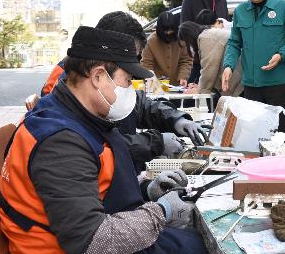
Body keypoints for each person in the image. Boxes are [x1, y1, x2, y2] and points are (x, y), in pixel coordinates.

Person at [0, 26, 237, 254]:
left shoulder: (74, 114)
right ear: (99, 76)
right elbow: (89, 244)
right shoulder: (60, 143)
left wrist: (147, 189)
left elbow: (91, 189)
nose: (130, 90)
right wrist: (161, 211)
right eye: (126, 80)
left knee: (197, 247)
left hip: (86, 253)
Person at [29, 12, 209, 171]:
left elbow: (139, 105)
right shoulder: (71, 101)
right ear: (98, 75)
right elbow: (99, 147)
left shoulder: (95, 82)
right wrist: (154, 143)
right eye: (129, 59)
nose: (134, 63)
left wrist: (176, 119)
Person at [222, 0, 285, 135]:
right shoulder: (240, 12)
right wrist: (228, 65)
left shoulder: (284, 8)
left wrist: (281, 55)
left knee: (281, 136)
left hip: (279, 84)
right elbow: (234, 42)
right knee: (255, 135)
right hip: (251, 85)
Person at [178, 16, 243, 97]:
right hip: (239, 75)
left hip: (240, 78)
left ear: (189, 38)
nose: (189, 47)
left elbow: (209, 68)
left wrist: (199, 90)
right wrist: (199, 86)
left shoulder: (206, 38)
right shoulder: (207, 34)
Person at [141, 11, 193, 86]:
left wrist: (183, 77)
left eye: (171, 29)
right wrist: (151, 81)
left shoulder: (181, 39)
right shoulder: (151, 41)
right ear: (159, 29)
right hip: (156, 86)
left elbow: (186, 60)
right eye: (165, 30)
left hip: (177, 85)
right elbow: (146, 63)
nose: (168, 32)